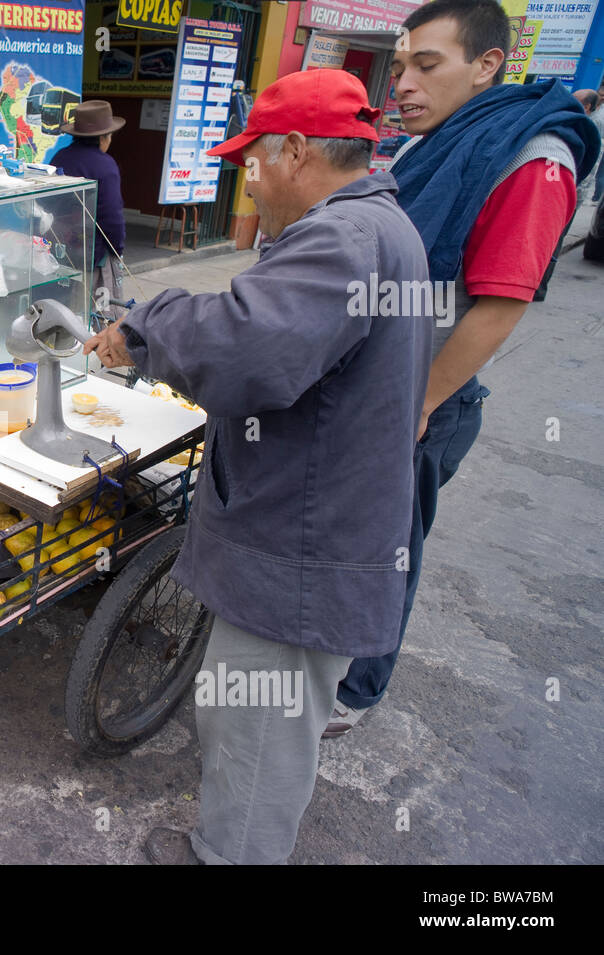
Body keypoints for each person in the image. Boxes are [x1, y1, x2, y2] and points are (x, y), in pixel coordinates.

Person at [85, 69, 432, 864]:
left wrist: (145, 324)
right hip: (323, 525)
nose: (248, 178)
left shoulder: (343, 240)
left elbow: (248, 346)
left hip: (300, 554)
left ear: (298, 152)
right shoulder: (379, 225)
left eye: (254, 161)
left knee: (257, 740)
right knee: (258, 729)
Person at [327, 0, 601, 737]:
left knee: (389, 550)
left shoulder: (531, 157)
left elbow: (500, 304)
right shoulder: (436, 140)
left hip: (423, 396)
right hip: (377, 379)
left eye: (426, 64)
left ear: (487, 66)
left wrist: (419, 403)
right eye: (400, 65)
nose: (403, 84)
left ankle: (355, 690)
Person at [51, 100, 127, 320]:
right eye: (110, 136)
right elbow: (111, 216)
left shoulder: (60, 157)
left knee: (63, 308)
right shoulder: (105, 165)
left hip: (60, 248)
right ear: (103, 138)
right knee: (95, 312)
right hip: (93, 252)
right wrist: (117, 249)